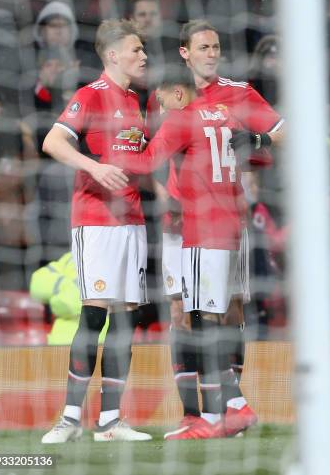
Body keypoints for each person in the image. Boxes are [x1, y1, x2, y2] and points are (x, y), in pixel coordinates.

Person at [145, 19, 284, 440]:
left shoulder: (239, 93)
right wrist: (164, 198)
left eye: (216, 46)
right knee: (182, 313)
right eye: (203, 47)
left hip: (226, 219)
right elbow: (152, 156)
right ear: (184, 52)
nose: (211, 53)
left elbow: (283, 133)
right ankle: (195, 415)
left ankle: (228, 409)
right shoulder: (169, 95)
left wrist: (260, 145)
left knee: (231, 311)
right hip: (179, 221)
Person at [112, 66, 253, 439]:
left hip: (199, 226)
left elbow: (146, 162)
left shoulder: (180, 120)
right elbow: (248, 151)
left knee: (208, 317)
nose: (160, 107)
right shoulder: (224, 113)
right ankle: (208, 412)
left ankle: (229, 408)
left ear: (177, 92)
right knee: (196, 314)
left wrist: (119, 146)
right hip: (227, 224)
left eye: (162, 100)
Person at [40, 19, 151, 443]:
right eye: (136, 49)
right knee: (94, 313)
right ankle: (69, 419)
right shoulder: (91, 94)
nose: (143, 56)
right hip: (96, 220)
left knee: (127, 319)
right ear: (112, 55)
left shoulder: (136, 101)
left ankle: (110, 421)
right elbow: (52, 142)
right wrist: (94, 166)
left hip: (133, 220)